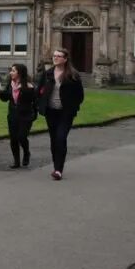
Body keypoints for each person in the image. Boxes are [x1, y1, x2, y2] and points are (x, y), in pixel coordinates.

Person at [35, 47, 84, 181]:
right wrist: (40, 103)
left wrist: (73, 108)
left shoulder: (73, 75)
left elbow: (80, 95)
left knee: (61, 138)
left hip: (65, 113)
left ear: (65, 59)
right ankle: (56, 166)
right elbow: (39, 90)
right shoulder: (48, 74)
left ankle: (58, 170)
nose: (55, 58)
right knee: (54, 139)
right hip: (51, 112)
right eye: (54, 56)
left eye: (58, 56)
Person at [0, 63, 37, 169]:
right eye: (11, 70)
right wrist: (0, 93)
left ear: (20, 73)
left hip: (26, 116)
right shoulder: (10, 84)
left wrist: (34, 114)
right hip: (13, 115)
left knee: (22, 137)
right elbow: (6, 98)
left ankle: (26, 152)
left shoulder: (29, 86)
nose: (11, 73)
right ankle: (16, 161)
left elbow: (34, 101)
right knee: (13, 138)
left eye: (13, 71)